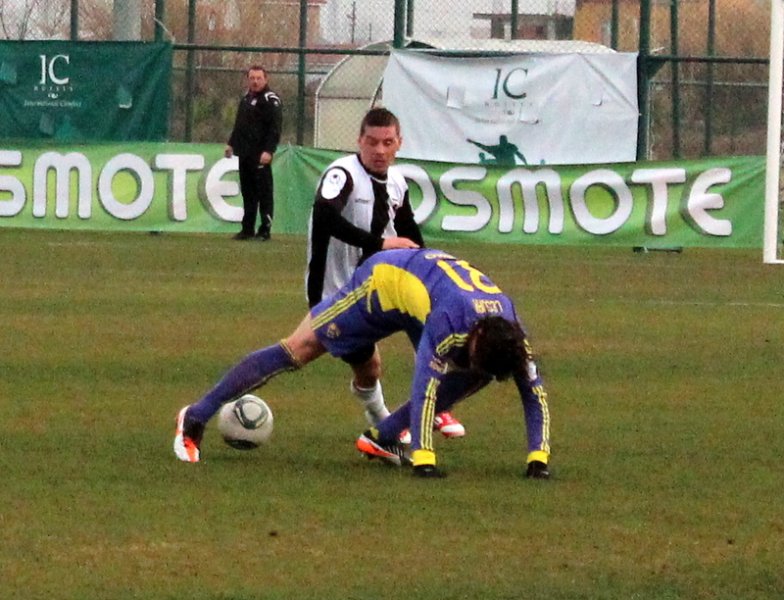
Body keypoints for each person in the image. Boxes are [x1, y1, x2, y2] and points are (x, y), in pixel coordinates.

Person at [173, 248, 551, 479]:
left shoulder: (513, 335)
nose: (465, 359)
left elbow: (534, 394)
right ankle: (195, 416)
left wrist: (539, 457)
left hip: (422, 294)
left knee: (473, 375)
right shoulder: (452, 322)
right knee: (299, 349)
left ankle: (381, 437)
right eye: (470, 353)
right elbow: (425, 385)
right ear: (479, 337)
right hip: (382, 284)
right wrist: (424, 458)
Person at [306, 107, 464, 439]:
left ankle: (433, 404)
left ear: (398, 144)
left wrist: (434, 268)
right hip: (334, 294)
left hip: (375, 286)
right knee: (365, 367)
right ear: (359, 141)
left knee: (425, 318)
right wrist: (380, 244)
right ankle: (384, 418)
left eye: (387, 142)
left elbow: (408, 233)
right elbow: (325, 217)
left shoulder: (396, 181)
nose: (379, 151)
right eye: (372, 142)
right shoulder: (342, 174)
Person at [225, 65, 282, 241]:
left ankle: (265, 229)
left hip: (260, 154)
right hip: (245, 153)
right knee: (248, 193)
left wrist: (269, 150)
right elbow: (239, 125)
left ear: (266, 79)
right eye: (252, 78)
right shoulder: (245, 99)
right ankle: (247, 228)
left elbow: (275, 128)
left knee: (264, 192)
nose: (255, 81)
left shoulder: (270, 100)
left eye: (258, 78)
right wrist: (231, 144)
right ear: (248, 79)